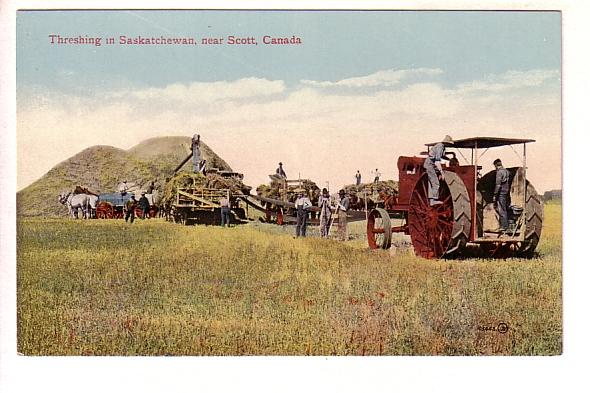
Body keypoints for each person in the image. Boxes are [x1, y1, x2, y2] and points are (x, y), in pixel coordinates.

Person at [423, 135, 453, 206]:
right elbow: (437, 161)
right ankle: (434, 200)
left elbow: (441, 156)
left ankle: (432, 199)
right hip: (430, 165)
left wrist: (450, 159)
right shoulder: (440, 147)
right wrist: (442, 173)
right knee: (436, 183)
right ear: (447, 143)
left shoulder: (441, 146)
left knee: (431, 182)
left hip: (429, 164)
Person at [493, 158, 510, 233]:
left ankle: (504, 226)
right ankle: (505, 225)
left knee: (501, 209)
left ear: (496, 165)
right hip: (506, 191)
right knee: (505, 208)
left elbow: (498, 185)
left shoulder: (499, 172)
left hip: (501, 193)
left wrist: (495, 195)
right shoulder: (506, 171)